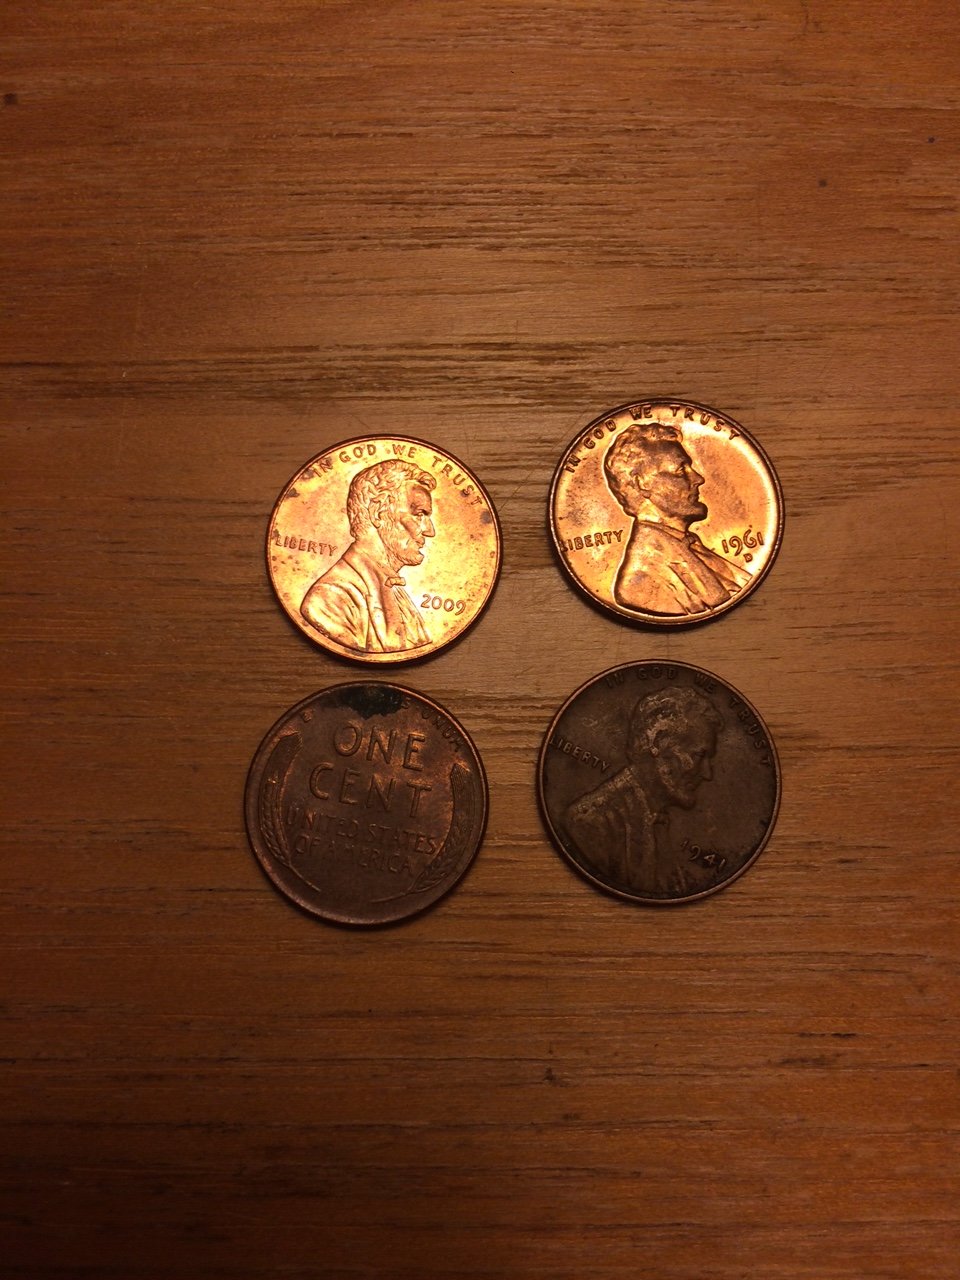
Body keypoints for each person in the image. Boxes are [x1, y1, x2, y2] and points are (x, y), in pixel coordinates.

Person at [565, 685, 722, 896]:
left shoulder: (656, 821)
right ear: (658, 742)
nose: (707, 773)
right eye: (699, 755)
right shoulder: (592, 822)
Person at [603, 422, 749, 615]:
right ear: (642, 483)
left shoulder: (692, 546)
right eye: (681, 470)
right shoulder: (639, 585)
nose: (698, 479)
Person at [301, 459, 436, 653]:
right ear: (378, 512)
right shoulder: (329, 600)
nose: (430, 531)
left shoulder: (397, 593)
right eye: (419, 514)